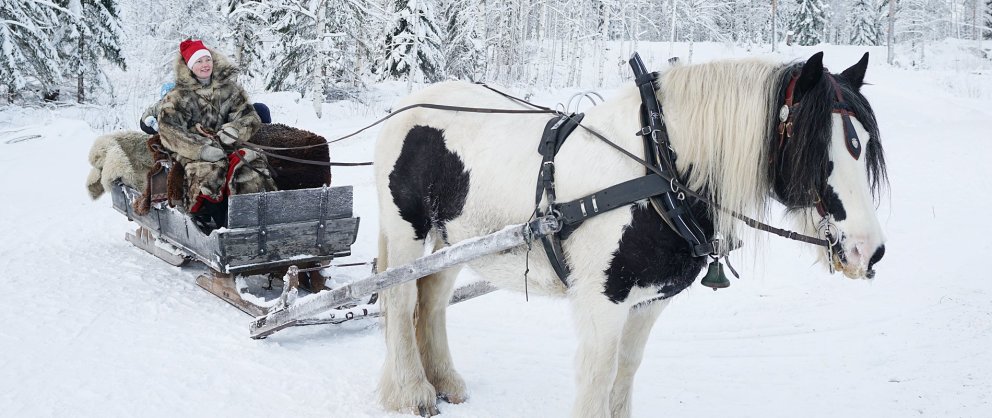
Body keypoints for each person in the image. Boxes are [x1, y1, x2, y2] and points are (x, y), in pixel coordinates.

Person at [154, 39, 276, 229]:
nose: (205, 65)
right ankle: (215, 222)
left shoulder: (230, 89)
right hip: (194, 152)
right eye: (199, 61)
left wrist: (235, 130)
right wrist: (201, 149)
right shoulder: (177, 96)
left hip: (229, 146)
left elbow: (249, 116)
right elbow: (170, 131)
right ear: (189, 66)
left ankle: (250, 219)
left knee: (250, 164)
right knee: (209, 172)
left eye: (207, 60)